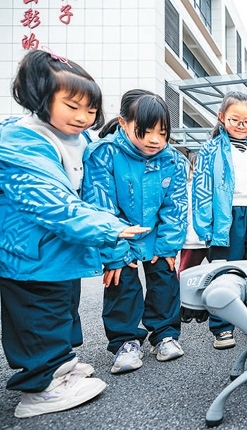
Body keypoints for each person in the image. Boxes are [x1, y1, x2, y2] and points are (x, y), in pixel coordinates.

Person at [0, 49, 150, 419]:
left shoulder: (79, 140)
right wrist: (112, 228)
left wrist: (113, 244)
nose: (83, 117)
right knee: (38, 316)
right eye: (72, 106)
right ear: (39, 97)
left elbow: (96, 193)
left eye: (90, 109)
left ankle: (61, 367)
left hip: (60, 251)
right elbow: (53, 204)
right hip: (29, 254)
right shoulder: (20, 142)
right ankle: (41, 387)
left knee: (61, 309)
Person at [82, 89, 188, 373]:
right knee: (121, 280)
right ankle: (125, 341)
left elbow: (175, 207)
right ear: (123, 123)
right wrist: (115, 252)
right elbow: (101, 206)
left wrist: (168, 247)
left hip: (156, 232)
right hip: (119, 234)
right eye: (145, 131)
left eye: (162, 133)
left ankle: (165, 334)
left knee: (165, 276)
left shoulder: (174, 160)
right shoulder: (102, 154)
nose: (155, 140)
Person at [192, 91, 247, 350]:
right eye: (235, 120)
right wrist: (204, 226)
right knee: (224, 270)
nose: (241, 126)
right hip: (225, 216)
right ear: (221, 117)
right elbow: (201, 188)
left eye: (246, 122)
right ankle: (222, 326)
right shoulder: (210, 149)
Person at [177, 151, 209, 279]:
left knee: (221, 272)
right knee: (185, 274)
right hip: (191, 240)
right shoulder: (185, 188)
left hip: (211, 240)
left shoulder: (213, 187)